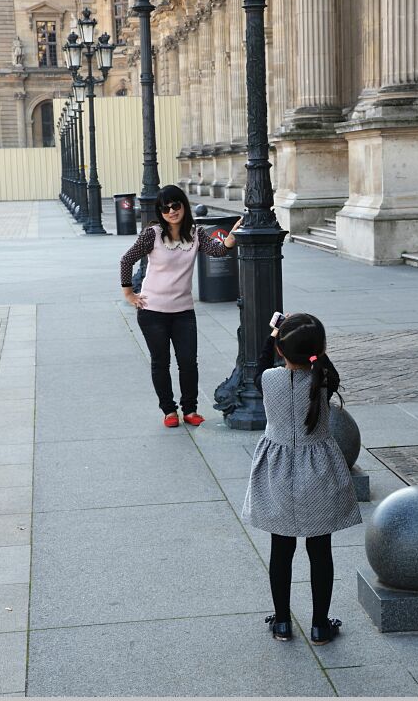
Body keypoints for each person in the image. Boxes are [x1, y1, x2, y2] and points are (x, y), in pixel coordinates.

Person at [242, 313, 362, 645]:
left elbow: (260, 364)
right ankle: (320, 626)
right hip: (318, 471)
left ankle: (282, 623)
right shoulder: (324, 379)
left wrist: (275, 334)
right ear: (319, 350)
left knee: (281, 549)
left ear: (281, 350)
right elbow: (325, 366)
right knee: (320, 550)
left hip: (278, 472)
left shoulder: (267, 380)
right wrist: (313, 345)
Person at [120, 185, 242, 428]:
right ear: (160, 212)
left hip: (183, 312)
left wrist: (230, 239)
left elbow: (216, 251)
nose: (172, 211)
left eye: (176, 205)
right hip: (152, 312)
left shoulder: (195, 234)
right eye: (165, 208)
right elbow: (127, 260)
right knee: (160, 362)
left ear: (184, 205)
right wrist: (129, 294)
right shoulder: (152, 234)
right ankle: (169, 410)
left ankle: (190, 409)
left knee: (188, 362)